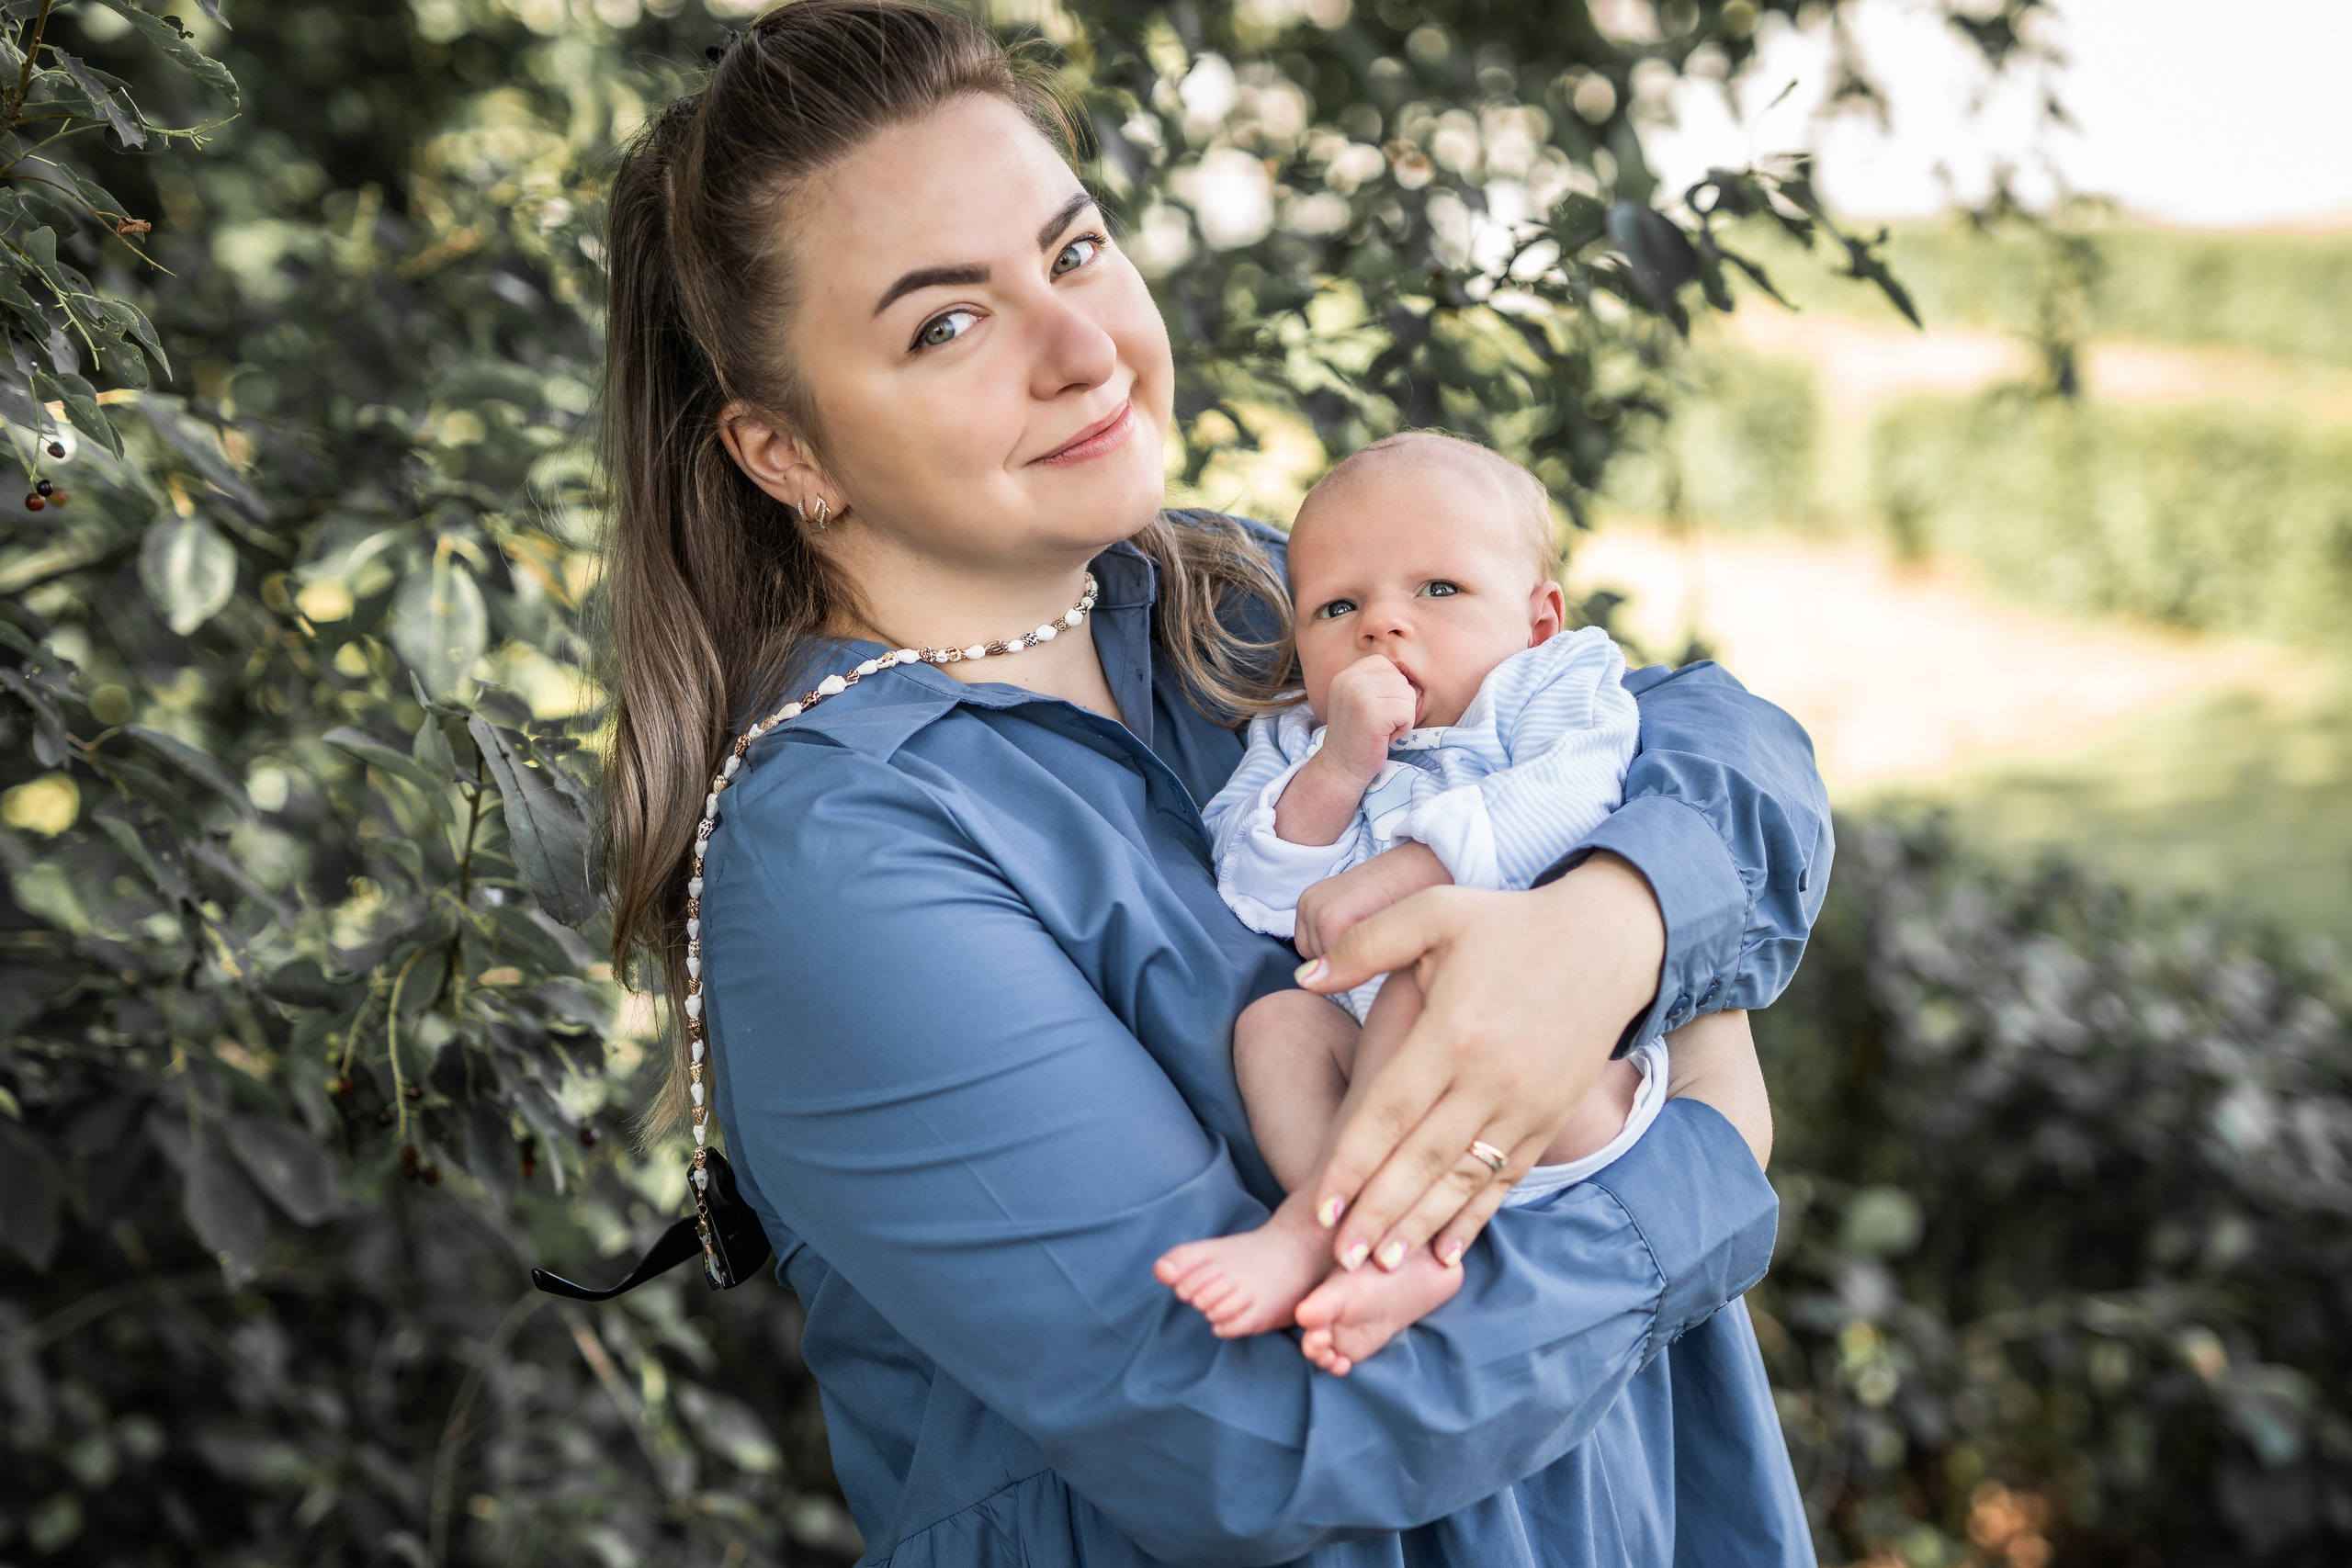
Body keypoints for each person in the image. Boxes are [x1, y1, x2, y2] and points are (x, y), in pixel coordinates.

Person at [603, 3, 1826, 1563]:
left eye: (1076, 250)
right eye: (945, 323)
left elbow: (1715, 744)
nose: (1082, 347)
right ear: (785, 453)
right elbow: (1254, 1436)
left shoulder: (1241, 595)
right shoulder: (839, 857)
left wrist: (1619, 926)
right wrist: (1706, 1146)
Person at [1158, 432, 1677, 1368]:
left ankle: (1314, 1236)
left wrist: (1405, 873)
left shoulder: (1551, 687)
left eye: (1438, 591)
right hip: (1378, 1068)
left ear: (1538, 619)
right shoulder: (1295, 742)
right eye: (1337, 607)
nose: (1381, 625)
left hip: (1558, 1081)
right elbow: (1252, 881)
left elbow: (1574, 797)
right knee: (1272, 1028)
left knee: (1429, 966)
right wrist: (1340, 765)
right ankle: (1373, 1241)